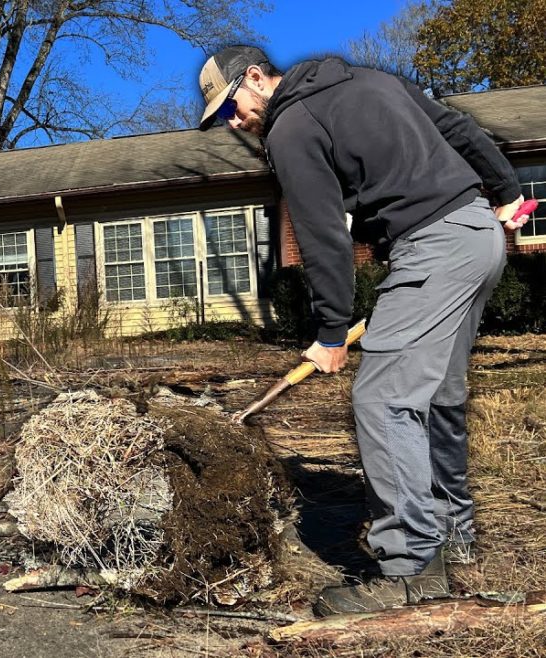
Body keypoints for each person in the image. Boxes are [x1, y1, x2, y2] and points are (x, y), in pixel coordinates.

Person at [196, 45, 534, 616]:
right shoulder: (372, 80)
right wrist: (506, 191)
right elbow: (457, 127)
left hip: (434, 246)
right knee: (439, 395)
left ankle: (411, 570)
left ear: (255, 78)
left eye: (231, 107)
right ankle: (454, 533)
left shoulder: (291, 127)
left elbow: (323, 234)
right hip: (477, 233)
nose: (233, 123)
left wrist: (330, 332)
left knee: (382, 399)